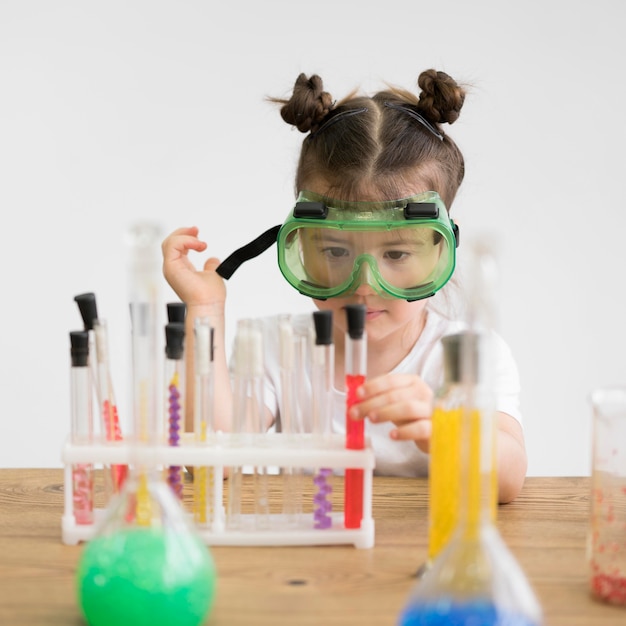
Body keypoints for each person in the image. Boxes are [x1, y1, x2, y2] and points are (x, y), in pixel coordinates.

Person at [162, 69, 527, 504]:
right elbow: (210, 457)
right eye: (336, 253)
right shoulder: (280, 349)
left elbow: (507, 480)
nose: (365, 286)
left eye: (396, 255)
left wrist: (448, 429)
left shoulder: (468, 356)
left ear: (440, 248)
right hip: (313, 563)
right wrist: (205, 311)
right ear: (301, 243)